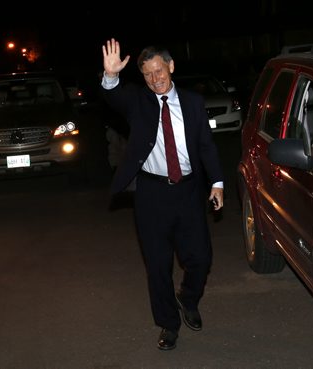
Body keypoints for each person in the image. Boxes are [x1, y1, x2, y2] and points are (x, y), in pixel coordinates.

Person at [101, 38, 224, 351]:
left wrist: (218, 183)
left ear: (170, 66)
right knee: (157, 265)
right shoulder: (138, 102)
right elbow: (113, 96)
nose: (155, 79)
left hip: (188, 190)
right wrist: (111, 76)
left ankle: (188, 298)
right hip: (151, 194)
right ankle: (168, 325)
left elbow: (206, 145)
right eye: (147, 75)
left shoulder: (194, 102)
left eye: (159, 71)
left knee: (200, 258)